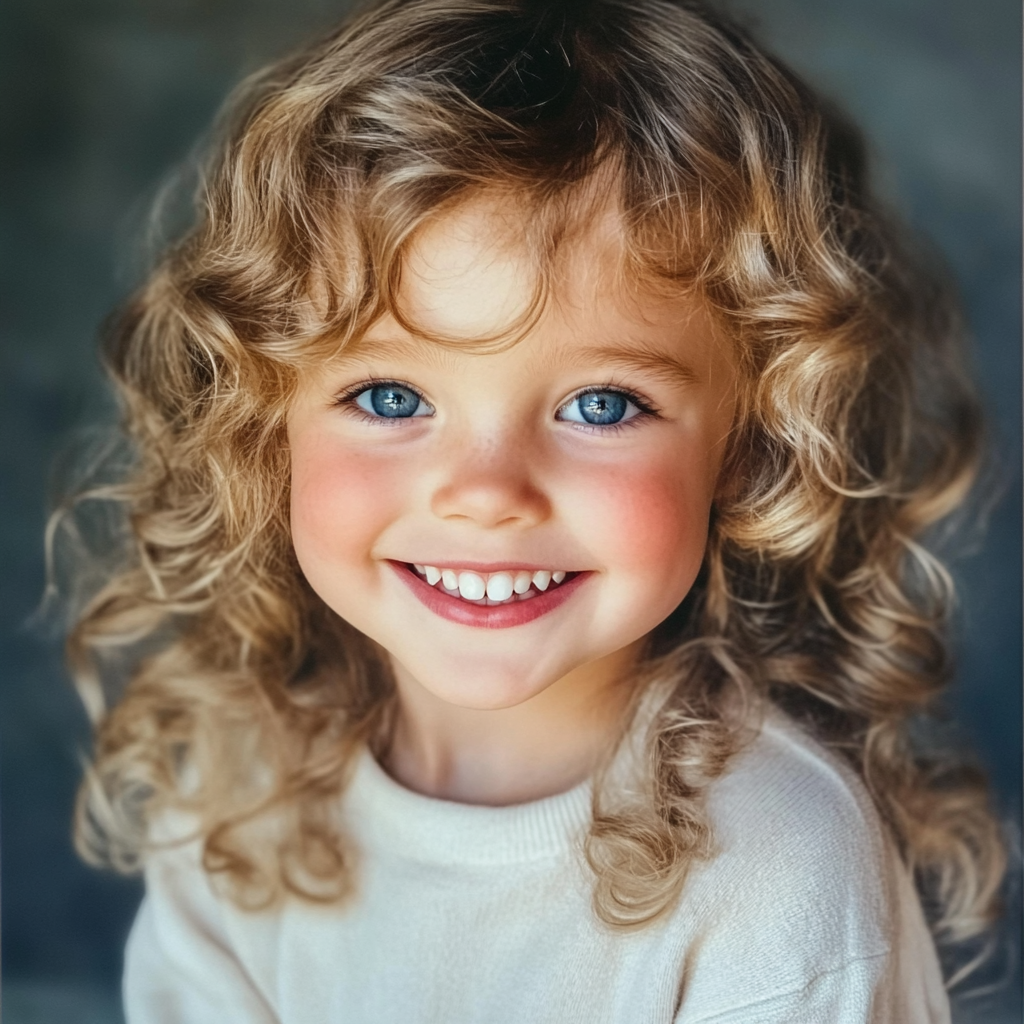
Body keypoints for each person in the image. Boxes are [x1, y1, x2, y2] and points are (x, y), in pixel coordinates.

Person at [62, 0, 1006, 1020]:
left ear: (750, 448)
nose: (484, 494)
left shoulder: (776, 869)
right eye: (390, 397)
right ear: (263, 426)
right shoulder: (234, 796)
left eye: (601, 405)